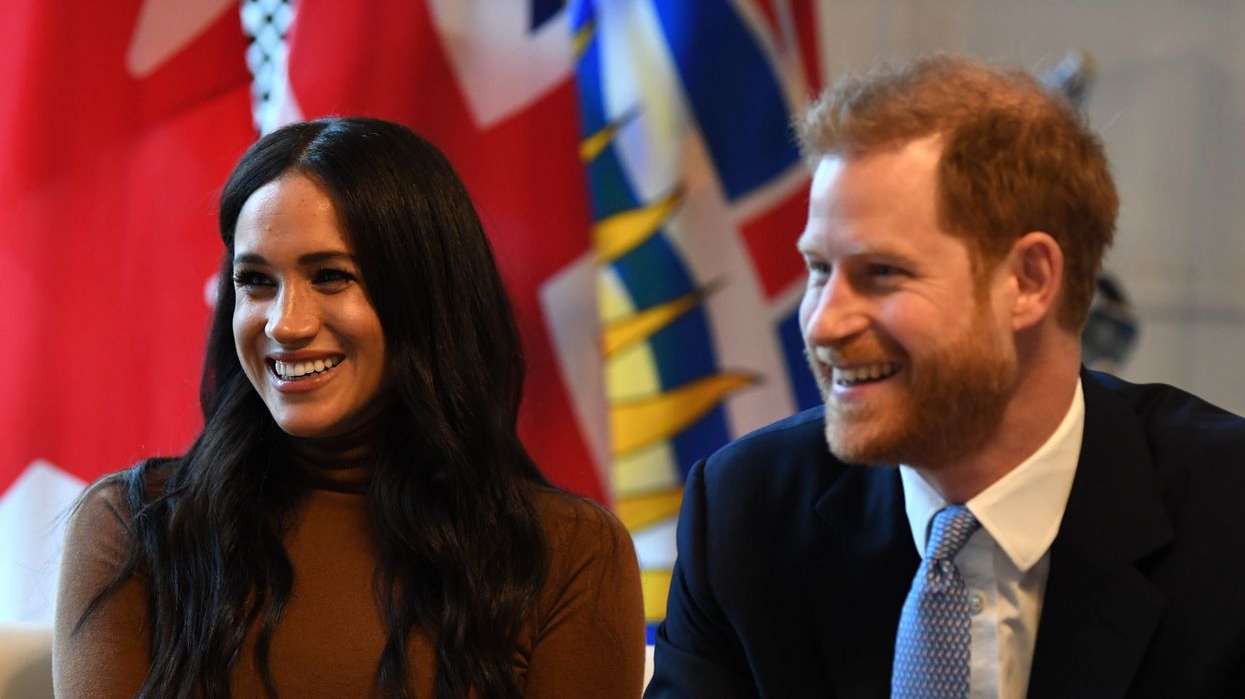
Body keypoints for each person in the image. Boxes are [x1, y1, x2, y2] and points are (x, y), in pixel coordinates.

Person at [646, 53, 1245, 698]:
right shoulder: (746, 513)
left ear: (1029, 281)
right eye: (820, 269)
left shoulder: (1228, 515)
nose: (822, 324)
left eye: (882, 274)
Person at [54, 117, 645, 699]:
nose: (286, 324)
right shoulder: (135, 529)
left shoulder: (568, 552)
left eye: (332, 276)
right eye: (256, 281)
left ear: (427, 297)